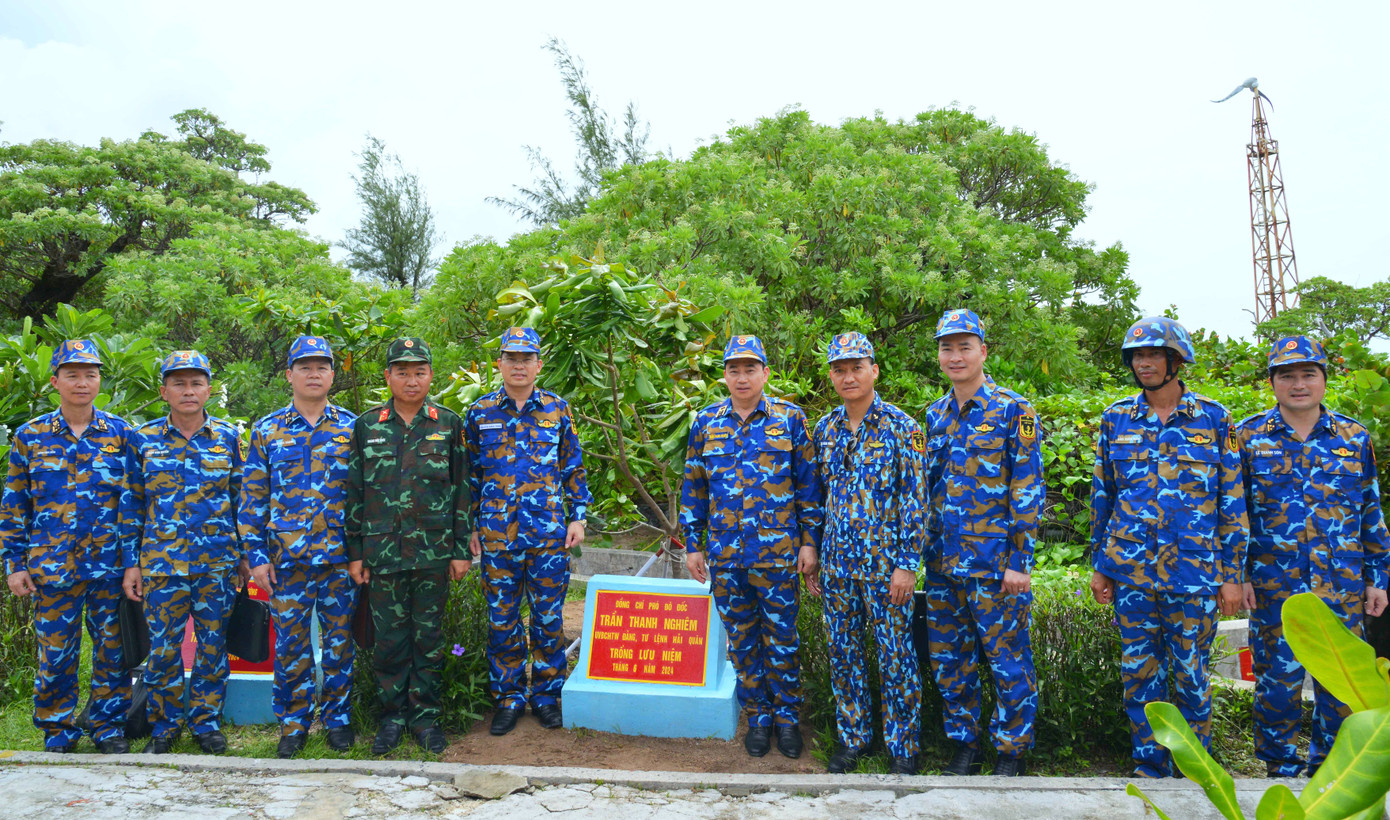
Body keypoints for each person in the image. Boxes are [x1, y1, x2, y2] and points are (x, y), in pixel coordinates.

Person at [1090, 317, 1248, 779]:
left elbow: (1231, 501)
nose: (1144, 363)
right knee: (1140, 675)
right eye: (1138, 356)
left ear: (1176, 360)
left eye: (1154, 355)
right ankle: (1151, 763)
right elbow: (1104, 495)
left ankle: (1194, 763)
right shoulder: (1116, 418)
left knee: (1192, 674)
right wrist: (1101, 566)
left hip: (1194, 573)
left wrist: (1232, 574)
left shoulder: (1214, 419)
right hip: (1132, 571)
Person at [1236, 335, 1389, 777]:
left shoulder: (1353, 437)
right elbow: (1235, 514)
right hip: (1272, 586)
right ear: (1272, 382)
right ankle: (1279, 769)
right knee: (1276, 682)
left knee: (1341, 684)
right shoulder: (1248, 437)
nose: (1298, 384)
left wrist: (1378, 577)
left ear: (1324, 380)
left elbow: (1370, 511)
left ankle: (1331, 770)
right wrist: (1239, 574)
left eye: (1308, 374)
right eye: (1287, 375)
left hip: (1340, 584)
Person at [680, 334, 823, 759]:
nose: (742, 377)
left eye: (750, 368)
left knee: (782, 640)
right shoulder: (705, 422)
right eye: (733, 369)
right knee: (742, 643)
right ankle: (758, 718)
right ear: (723, 374)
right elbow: (694, 488)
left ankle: (788, 720)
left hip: (779, 556)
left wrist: (810, 543)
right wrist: (693, 545)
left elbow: (809, 489)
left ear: (765, 372)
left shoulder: (790, 420)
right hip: (727, 557)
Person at [0, 340, 139, 754]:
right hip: (52, 565)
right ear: (55, 381)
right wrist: (14, 563)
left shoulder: (122, 434)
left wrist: (133, 563)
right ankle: (58, 728)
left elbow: (134, 503)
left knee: (112, 651)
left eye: (91, 374)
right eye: (74, 374)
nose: (83, 382)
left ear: (100, 380)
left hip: (109, 566)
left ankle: (108, 726)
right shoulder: (31, 436)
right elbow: (14, 504)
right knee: (56, 653)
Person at [922, 309, 1044, 777]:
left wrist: (1019, 560)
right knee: (951, 661)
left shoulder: (1015, 410)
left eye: (964, 347)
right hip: (944, 563)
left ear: (983, 352)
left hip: (996, 565)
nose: (955, 356)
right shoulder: (934, 415)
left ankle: (1011, 752)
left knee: (1008, 662)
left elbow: (1027, 488)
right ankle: (964, 744)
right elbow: (928, 490)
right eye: (946, 348)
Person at [347, 338, 472, 755]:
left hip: (433, 553)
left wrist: (460, 550)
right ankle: (391, 718)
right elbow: (355, 494)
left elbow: (461, 491)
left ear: (430, 374)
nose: (411, 379)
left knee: (429, 638)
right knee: (389, 641)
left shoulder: (448, 424)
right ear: (388, 376)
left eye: (419, 371)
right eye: (402, 371)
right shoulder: (367, 425)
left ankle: (426, 718)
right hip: (382, 554)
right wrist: (356, 553)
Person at [465, 327, 591, 735]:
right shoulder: (480, 413)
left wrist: (578, 516)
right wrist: (469, 525)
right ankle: (509, 696)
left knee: (548, 620)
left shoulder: (557, 409)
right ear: (499, 363)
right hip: (497, 536)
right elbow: (469, 475)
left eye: (527, 358)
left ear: (538, 364)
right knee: (501, 620)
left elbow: (573, 468)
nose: (519, 365)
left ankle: (547, 696)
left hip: (549, 536)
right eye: (511, 358)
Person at [238, 335, 357, 758]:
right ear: (289, 374)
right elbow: (251, 500)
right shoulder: (267, 430)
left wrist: (360, 554)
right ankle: (293, 723)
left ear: (332, 375)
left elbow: (363, 498)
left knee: (341, 643)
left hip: (340, 559)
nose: (313, 373)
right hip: (285, 562)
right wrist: (254, 559)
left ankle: (339, 720)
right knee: (291, 646)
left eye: (321, 366)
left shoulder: (352, 427)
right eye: (304, 367)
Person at [814, 332, 925, 775]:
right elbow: (817, 500)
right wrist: (815, 557)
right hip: (836, 566)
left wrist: (906, 565)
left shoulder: (904, 428)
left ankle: (904, 746)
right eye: (839, 369)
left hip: (886, 570)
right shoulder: (823, 429)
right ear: (832, 376)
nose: (848, 376)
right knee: (843, 655)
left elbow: (916, 501)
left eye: (856, 367)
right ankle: (854, 738)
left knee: (896, 656)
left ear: (874, 370)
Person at [124, 350, 245, 755]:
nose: (188, 391)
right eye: (178, 383)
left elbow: (240, 500)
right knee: (163, 650)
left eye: (196, 383)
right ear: (164, 391)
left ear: (209, 390)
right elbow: (132, 505)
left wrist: (244, 557)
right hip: (161, 565)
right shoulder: (143, 439)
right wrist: (131, 564)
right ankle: (165, 725)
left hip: (218, 565)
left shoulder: (228, 438)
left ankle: (207, 724)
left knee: (213, 647)